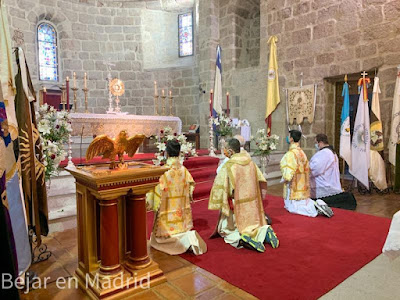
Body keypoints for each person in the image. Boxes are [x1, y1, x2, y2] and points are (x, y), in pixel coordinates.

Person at [209, 138, 278, 253]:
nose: (224, 151)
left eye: (225, 148)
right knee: (255, 226)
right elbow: (261, 180)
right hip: (252, 206)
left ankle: (241, 239)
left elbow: (220, 189)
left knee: (225, 230)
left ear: (230, 151)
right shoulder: (251, 163)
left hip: (237, 208)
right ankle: (265, 231)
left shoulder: (229, 166)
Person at [146, 140, 207, 255]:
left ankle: (173, 240)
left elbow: (156, 191)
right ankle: (185, 237)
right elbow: (191, 187)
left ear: (167, 153)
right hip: (180, 210)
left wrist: (149, 200)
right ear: (179, 153)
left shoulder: (164, 172)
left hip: (166, 212)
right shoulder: (184, 170)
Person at [280, 130, 333, 218]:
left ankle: (314, 208)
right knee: (302, 201)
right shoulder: (302, 152)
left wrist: (285, 178)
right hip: (302, 182)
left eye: (288, 136)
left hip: (293, 184)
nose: (287, 138)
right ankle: (318, 203)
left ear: (292, 139)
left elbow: (288, 169)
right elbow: (307, 167)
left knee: (293, 207)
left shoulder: (290, 154)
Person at [309, 134, 357, 210]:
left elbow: (315, 169)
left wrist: (305, 169)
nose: (316, 145)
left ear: (320, 142)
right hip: (331, 184)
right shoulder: (331, 153)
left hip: (324, 187)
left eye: (316, 143)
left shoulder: (324, 153)